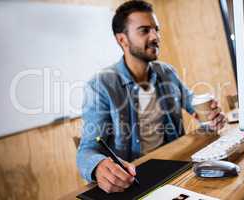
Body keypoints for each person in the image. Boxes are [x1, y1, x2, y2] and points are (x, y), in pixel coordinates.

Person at [77, 0, 226, 193]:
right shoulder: (101, 85)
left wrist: (209, 116)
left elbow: (191, 102)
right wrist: (97, 166)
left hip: (177, 165)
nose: (155, 36)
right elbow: (87, 150)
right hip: (135, 180)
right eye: (144, 30)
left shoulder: (166, 72)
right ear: (122, 40)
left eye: (156, 29)